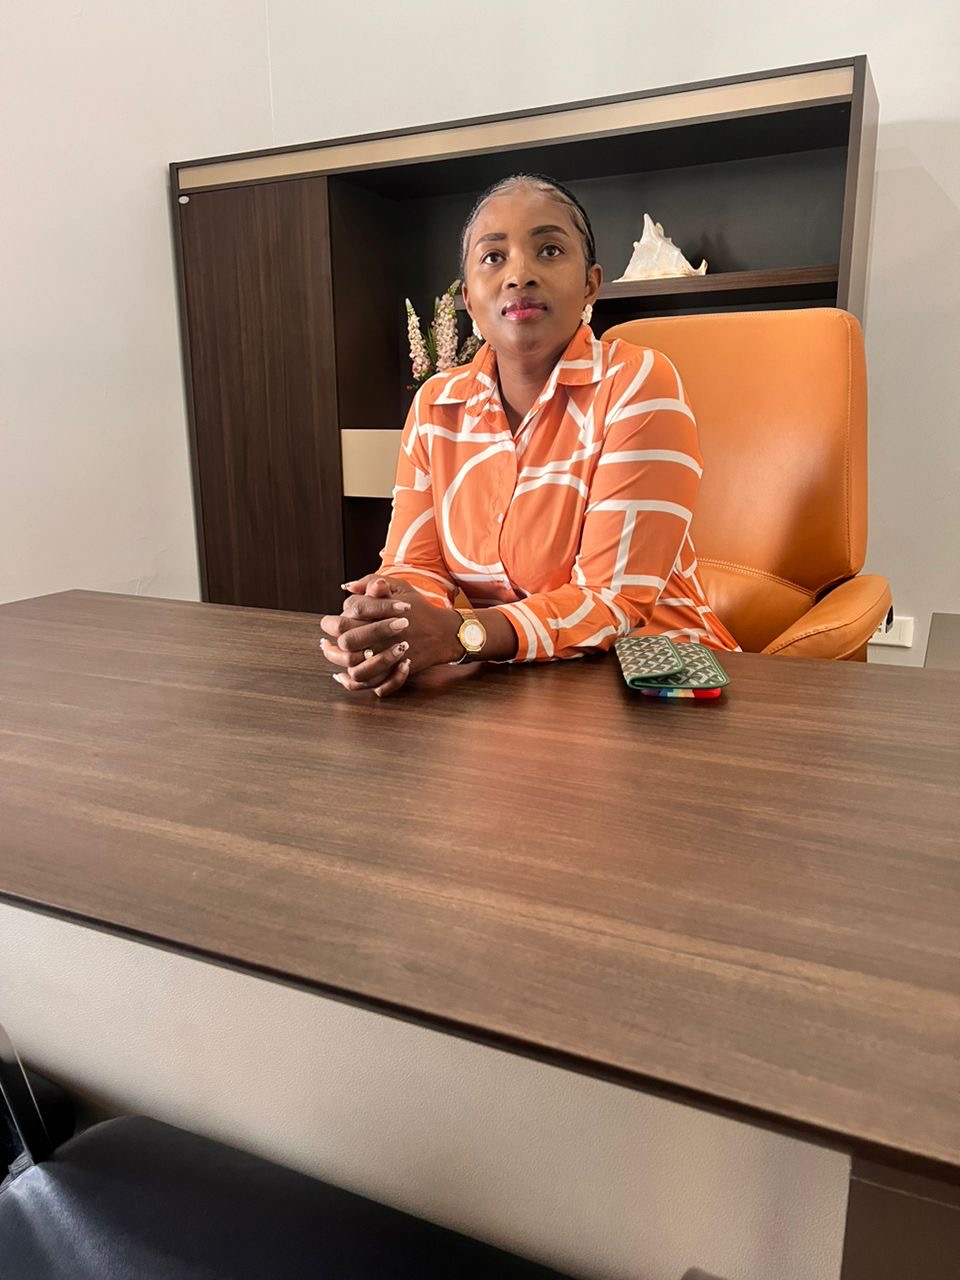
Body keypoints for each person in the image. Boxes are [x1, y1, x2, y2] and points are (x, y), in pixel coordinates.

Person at [321, 174, 737, 697]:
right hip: (513, 686)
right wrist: (389, 621)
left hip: (657, 685)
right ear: (469, 297)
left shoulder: (637, 383)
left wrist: (461, 634)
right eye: (493, 257)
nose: (519, 275)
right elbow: (416, 564)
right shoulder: (436, 405)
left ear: (590, 284)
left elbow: (613, 602)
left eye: (549, 250)